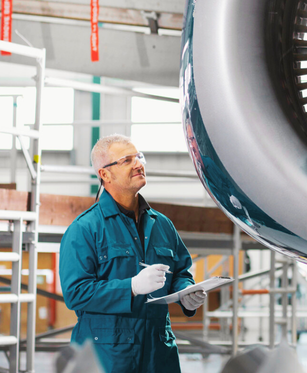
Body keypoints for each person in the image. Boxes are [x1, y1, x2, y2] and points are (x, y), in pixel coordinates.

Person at [60, 134, 207, 373]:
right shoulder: (85, 229)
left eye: (139, 157)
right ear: (105, 175)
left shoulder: (162, 225)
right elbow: (76, 293)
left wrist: (185, 292)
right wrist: (131, 287)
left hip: (158, 354)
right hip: (107, 358)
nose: (138, 164)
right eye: (127, 160)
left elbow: (181, 271)